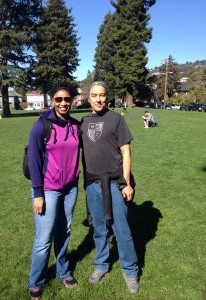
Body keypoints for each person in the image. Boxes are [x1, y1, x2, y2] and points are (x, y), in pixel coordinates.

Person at [80, 81, 139, 294]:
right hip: (93, 184)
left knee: (121, 229)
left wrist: (126, 183)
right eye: (94, 95)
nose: (98, 99)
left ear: (107, 97)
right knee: (99, 229)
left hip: (116, 183)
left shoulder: (116, 119)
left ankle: (131, 271)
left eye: (102, 95)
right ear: (89, 99)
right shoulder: (83, 122)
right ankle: (101, 265)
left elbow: (126, 152)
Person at [27, 82, 80, 300]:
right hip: (47, 189)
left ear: (72, 101)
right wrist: (38, 193)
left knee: (64, 232)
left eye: (67, 99)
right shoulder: (41, 125)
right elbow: (32, 160)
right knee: (44, 239)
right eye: (59, 99)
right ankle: (36, 282)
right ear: (52, 101)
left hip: (70, 188)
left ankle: (63, 272)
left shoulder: (76, 125)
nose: (63, 103)